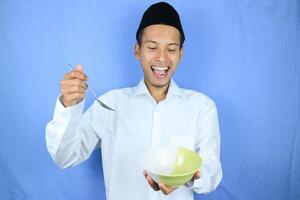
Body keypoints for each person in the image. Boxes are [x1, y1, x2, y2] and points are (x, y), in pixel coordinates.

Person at [46, 2, 222, 200]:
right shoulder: (110, 104)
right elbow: (65, 156)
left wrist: (191, 177)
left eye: (171, 49)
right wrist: (69, 105)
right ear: (137, 50)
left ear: (181, 54)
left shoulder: (202, 107)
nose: (162, 58)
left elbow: (212, 175)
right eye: (152, 47)